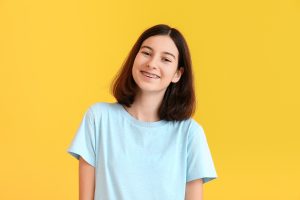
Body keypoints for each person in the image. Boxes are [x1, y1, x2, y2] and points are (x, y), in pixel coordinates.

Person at [67, 24, 218, 200]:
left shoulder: (190, 134)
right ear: (134, 58)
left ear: (177, 74)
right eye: (146, 53)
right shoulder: (98, 118)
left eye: (166, 59)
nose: (152, 64)